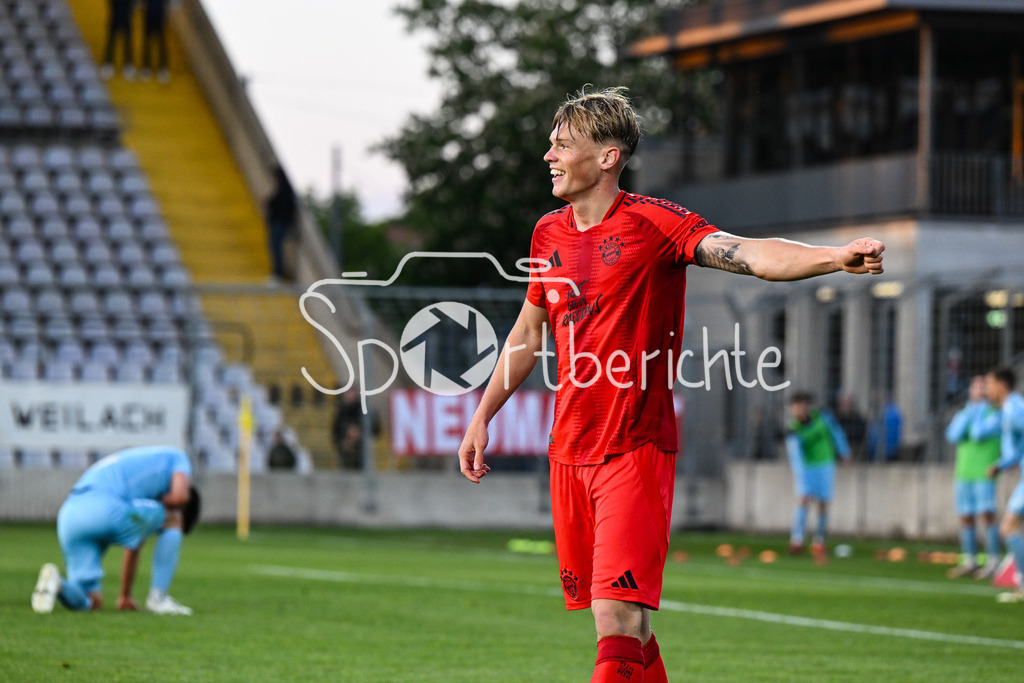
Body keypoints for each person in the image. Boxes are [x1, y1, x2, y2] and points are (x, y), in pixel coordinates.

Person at [457, 86, 884, 681]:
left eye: (562, 144)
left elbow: (750, 255)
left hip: (633, 450)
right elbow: (529, 334)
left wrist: (834, 257)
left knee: (616, 621)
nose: (547, 155)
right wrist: (482, 416)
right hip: (569, 454)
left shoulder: (656, 224)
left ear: (607, 157)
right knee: (629, 628)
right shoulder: (546, 235)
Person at [31, 446, 200, 616]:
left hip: (70, 513)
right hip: (104, 506)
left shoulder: (136, 466)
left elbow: (135, 543)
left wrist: (125, 596)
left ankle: (57, 583)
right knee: (173, 518)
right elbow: (180, 497)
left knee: (91, 600)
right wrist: (169, 506)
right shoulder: (178, 458)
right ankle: (158, 598)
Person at [945, 375, 1002, 579]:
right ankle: (970, 560)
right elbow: (952, 435)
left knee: (987, 514)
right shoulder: (966, 412)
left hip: (985, 470)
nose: (978, 391)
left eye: (982, 387)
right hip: (964, 470)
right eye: (975, 387)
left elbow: (978, 434)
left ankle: (993, 561)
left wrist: (975, 413)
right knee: (965, 516)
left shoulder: (995, 413)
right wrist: (971, 412)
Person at [785, 392, 850, 561]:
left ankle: (819, 540)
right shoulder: (793, 428)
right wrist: (800, 473)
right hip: (806, 467)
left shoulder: (823, 417)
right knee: (803, 500)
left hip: (826, 463)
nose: (799, 409)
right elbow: (795, 455)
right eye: (796, 407)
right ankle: (797, 539)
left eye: (801, 405)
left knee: (823, 503)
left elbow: (836, 433)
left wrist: (844, 451)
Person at [984, 367, 1024, 602]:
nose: (988, 389)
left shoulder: (1014, 409)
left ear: (1001, 385)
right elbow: (1017, 449)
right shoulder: (1011, 408)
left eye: (989, 384)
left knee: (1008, 528)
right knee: (1012, 527)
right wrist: (1000, 464)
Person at [265, 164, 297, 281]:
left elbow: (279, 205)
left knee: (276, 247)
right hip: (280, 223)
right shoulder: (284, 190)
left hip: (280, 223)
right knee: (275, 247)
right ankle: (277, 272)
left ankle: (278, 273)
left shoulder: (285, 191)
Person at [100, 0, 137, 81]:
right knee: (112, 42)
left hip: (127, 18)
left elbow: (134, 4)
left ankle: (128, 64)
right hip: (115, 17)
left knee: (127, 43)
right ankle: (108, 63)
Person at [140, 0, 171, 83]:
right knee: (147, 43)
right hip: (149, 16)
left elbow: (168, 5)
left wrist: (166, 16)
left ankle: (163, 68)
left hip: (160, 17)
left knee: (162, 44)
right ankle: (146, 67)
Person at [834, 392, 867, 460]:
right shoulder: (835, 419)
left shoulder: (857, 419)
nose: (845, 406)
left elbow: (861, 434)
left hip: (853, 448)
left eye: (848, 403)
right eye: (843, 403)